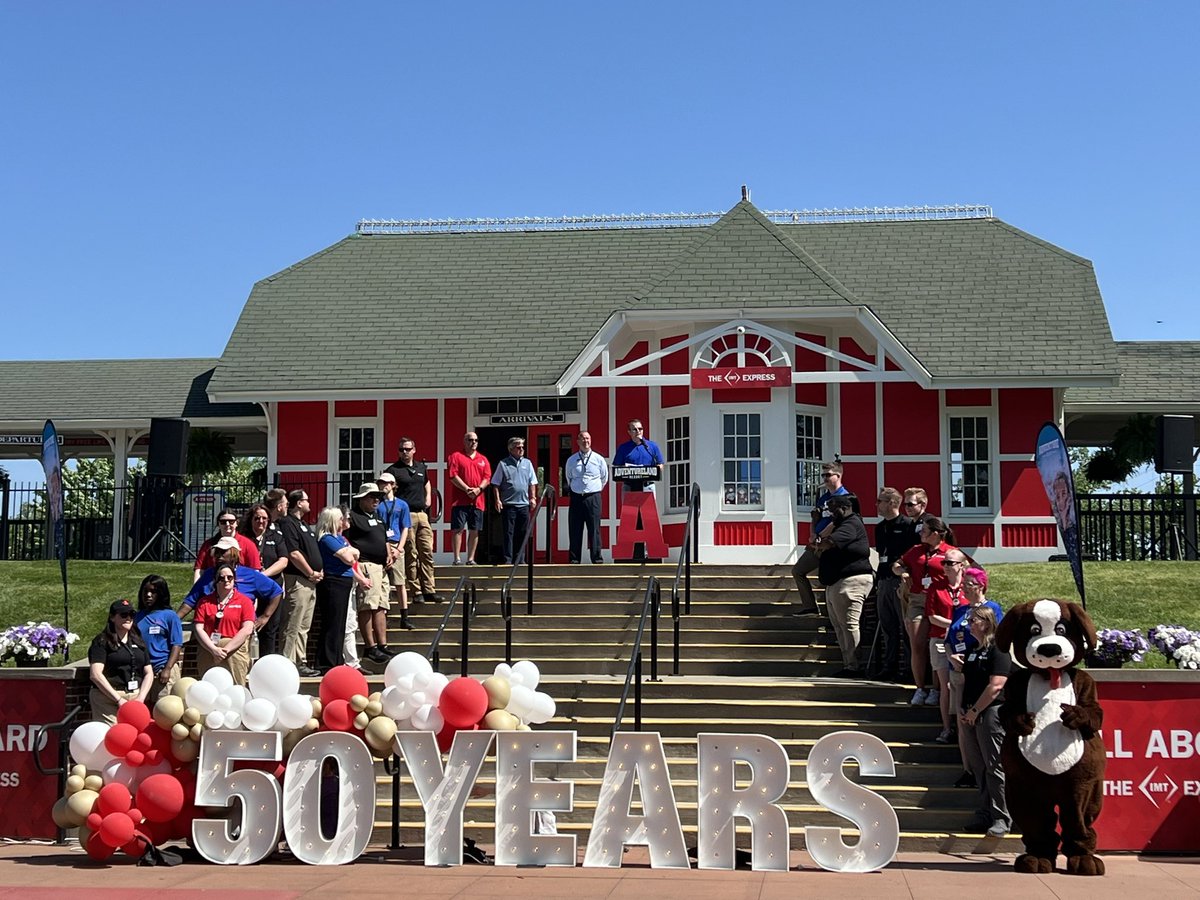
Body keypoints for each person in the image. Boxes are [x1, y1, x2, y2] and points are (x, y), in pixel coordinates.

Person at [947, 566, 1005, 787]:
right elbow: (948, 638)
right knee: (962, 724)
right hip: (958, 671)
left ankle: (981, 773)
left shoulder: (992, 609)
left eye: (968, 585)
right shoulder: (960, 610)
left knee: (979, 727)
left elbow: (994, 637)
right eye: (963, 585)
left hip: (981, 673)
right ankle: (968, 769)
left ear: (980, 586)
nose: (963, 588)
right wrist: (952, 656)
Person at [958, 605, 1012, 838]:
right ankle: (984, 813)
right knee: (977, 766)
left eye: (973, 621)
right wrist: (965, 710)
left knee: (994, 765)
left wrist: (976, 710)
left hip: (990, 713)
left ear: (987, 623)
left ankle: (1002, 817)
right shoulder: (972, 649)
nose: (969, 624)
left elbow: (996, 685)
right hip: (970, 712)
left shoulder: (998, 650)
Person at [893, 515, 956, 707]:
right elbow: (896, 564)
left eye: (924, 531)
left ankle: (937, 689)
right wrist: (902, 572)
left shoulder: (950, 552)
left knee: (938, 644)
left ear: (936, 534)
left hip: (941, 601)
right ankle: (920, 688)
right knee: (917, 644)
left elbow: (967, 569)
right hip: (918, 600)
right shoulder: (916, 550)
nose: (921, 533)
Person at [816, 494, 874, 677]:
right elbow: (820, 536)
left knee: (849, 624)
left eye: (833, 510)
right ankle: (848, 664)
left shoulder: (851, 524)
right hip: (836, 581)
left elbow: (828, 542)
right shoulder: (841, 523)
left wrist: (820, 545)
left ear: (844, 508)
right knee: (840, 626)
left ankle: (854, 666)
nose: (831, 514)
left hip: (851, 580)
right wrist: (831, 524)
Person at [182, 537, 284, 636]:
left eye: (223, 552)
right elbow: (190, 602)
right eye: (217, 552)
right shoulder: (208, 575)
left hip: (241, 633)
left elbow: (276, 592)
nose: (219, 556)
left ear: (233, 554)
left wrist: (265, 616)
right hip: (211, 634)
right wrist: (173, 619)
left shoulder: (250, 575)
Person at [315, 505, 372, 673]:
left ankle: (337, 660)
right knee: (332, 623)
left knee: (341, 624)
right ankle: (327, 662)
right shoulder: (327, 539)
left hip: (344, 582)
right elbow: (349, 558)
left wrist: (353, 551)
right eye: (340, 518)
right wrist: (352, 551)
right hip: (334, 582)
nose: (343, 521)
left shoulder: (339, 539)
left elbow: (355, 555)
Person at [385, 438, 442, 603]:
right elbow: (387, 492)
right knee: (411, 553)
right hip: (405, 515)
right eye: (402, 449)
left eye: (408, 449)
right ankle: (416, 591)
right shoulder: (393, 471)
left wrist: (429, 498)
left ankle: (430, 589)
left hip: (422, 514)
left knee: (426, 551)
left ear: (414, 450)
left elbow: (427, 482)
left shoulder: (421, 468)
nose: (405, 452)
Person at [791, 462, 849, 615]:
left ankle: (832, 615)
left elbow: (840, 522)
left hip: (831, 545)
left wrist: (822, 535)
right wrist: (812, 534)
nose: (825, 478)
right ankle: (810, 606)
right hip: (816, 544)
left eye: (828, 475)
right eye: (823, 475)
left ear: (838, 475)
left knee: (829, 578)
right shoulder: (823, 498)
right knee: (798, 571)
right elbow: (815, 517)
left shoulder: (845, 497)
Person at [926, 547, 971, 744]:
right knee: (946, 685)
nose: (944, 566)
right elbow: (931, 617)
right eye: (944, 562)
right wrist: (954, 625)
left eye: (949, 563)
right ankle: (947, 728)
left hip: (965, 642)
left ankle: (966, 727)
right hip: (940, 641)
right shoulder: (936, 587)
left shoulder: (970, 586)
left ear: (961, 565)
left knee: (963, 684)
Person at [345, 482, 395, 663]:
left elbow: (385, 539)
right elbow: (346, 542)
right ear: (362, 499)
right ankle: (370, 647)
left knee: (382, 606)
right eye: (372, 497)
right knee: (368, 606)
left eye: (378, 497)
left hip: (382, 567)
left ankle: (383, 645)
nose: (376, 500)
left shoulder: (379, 517)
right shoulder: (353, 517)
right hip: (365, 565)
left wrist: (389, 553)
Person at [874, 487, 919, 681]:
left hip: (901, 581)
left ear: (892, 503)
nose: (876, 504)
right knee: (888, 626)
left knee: (905, 627)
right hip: (884, 579)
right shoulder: (880, 527)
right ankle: (889, 666)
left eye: (880, 501)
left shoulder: (908, 525)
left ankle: (909, 669)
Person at [277, 489, 324, 677]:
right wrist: (310, 572)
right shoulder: (288, 523)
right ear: (298, 503)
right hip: (298, 580)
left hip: (310, 582)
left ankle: (300, 661)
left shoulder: (303, 524)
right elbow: (294, 553)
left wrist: (318, 572)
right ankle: (287, 663)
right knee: (292, 624)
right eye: (306, 499)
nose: (309, 502)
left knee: (304, 626)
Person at [87, 599, 153, 724]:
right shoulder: (101, 641)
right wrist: (118, 700)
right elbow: (95, 674)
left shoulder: (138, 640)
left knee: (135, 735)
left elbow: (148, 672)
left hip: (135, 696)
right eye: (123, 615)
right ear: (112, 618)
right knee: (112, 735)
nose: (128, 618)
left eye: (131, 615)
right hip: (108, 698)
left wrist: (141, 698)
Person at [193, 562, 256, 684]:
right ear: (216, 581)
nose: (226, 580)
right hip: (209, 648)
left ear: (234, 579)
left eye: (230, 577)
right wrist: (214, 650)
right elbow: (198, 628)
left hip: (234, 649)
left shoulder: (245, 601)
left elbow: (247, 629)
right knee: (208, 686)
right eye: (221, 578)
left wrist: (225, 650)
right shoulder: (204, 602)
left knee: (236, 685)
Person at [244, 491, 290, 656]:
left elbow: (283, 560)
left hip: (272, 589)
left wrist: (264, 575)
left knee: (270, 629)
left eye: (264, 518)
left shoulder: (275, 536)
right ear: (251, 520)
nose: (261, 522)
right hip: (249, 590)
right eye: (257, 518)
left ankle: (266, 663)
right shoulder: (244, 538)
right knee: (247, 627)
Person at [133, 574, 183, 706]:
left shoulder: (170, 616)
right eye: (145, 591)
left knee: (164, 711)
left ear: (160, 594)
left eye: (153, 592)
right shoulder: (137, 617)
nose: (148, 595)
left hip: (163, 670)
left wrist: (167, 669)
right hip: (144, 672)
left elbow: (176, 645)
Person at [491, 436, 538, 565]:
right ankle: (508, 559)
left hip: (524, 504)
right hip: (509, 504)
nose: (521, 449)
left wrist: (533, 497)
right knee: (508, 533)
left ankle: (521, 559)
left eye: (523, 447)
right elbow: (495, 483)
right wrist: (497, 500)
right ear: (511, 449)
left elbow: (532, 482)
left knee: (523, 533)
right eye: (518, 447)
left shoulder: (527, 463)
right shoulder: (503, 464)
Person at [447, 432, 492, 566]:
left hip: (477, 501)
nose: (473, 442)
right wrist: (467, 489)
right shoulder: (456, 456)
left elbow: (487, 477)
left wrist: (479, 489)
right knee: (458, 529)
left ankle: (470, 558)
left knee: (474, 530)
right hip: (459, 501)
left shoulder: (483, 459)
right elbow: (453, 475)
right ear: (464, 441)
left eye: (476, 440)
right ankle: (457, 558)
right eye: (470, 440)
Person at [376, 472, 413, 631]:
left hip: (396, 544)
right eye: (380, 483)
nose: (383, 486)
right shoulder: (377, 504)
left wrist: (399, 548)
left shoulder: (402, 505)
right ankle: (384, 616)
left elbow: (405, 527)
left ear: (392, 485)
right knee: (382, 583)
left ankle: (404, 617)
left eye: (386, 483)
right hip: (381, 545)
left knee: (399, 582)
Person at [565, 430, 609, 564]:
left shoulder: (598, 459)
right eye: (583, 439)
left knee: (594, 528)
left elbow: (604, 478)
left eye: (588, 439)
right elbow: (569, 478)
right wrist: (577, 489)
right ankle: (574, 558)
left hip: (593, 497)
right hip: (577, 498)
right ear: (578, 442)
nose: (586, 441)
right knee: (575, 529)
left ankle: (596, 558)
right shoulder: (572, 460)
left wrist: (593, 489)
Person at [194, 507, 261, 582]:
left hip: (240, 586)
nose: (227, 524)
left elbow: (255, 571)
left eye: (231, 521)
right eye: (223, 522)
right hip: (212, 585)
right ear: (218, 524)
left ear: (237, 523)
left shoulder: (248, 544)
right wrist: (196, 588)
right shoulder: (208, 545)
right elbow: (200, 570)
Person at [612, 419, 664, 490]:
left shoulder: (652, 446)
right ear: (629, 432)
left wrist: (654, 470)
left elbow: (660, 464)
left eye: (640, 429)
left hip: (648, 486)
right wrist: (626, 469)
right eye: (634, 429)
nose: (638, 431)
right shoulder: (623, 448)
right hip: (629, 486)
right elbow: (616, 466)